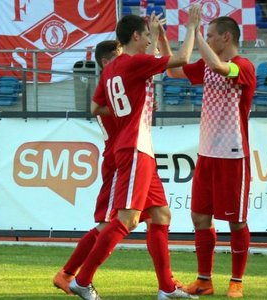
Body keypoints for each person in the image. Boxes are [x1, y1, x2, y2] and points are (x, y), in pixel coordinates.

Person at [68, 6, 202, 300]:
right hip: (135, 146)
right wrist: (192, 28)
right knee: (126, 219)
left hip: (136, 146)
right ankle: (82, 280)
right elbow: (181, 59)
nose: (146, 41)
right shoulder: (131, 63)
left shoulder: (112, 69)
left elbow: (96, 107)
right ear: (134, 36)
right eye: (144, 36)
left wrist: (155, 35)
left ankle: (166, 287)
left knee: (160, 214)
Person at [167, 16, 256, 298]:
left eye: (212, 35)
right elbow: (173, 72)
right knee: (199, 216)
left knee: (236, 221)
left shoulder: (243, 66)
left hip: (233, 154)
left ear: (226, 38)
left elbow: (219, 66)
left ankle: (236, 281)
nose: (209, 39)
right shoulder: (206, 65)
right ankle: (204, 280)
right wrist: (160, 38)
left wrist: (193, 31)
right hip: (206, 153)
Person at [52, 40, 122, 295]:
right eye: (119, 56)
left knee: (158, 218)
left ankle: (167, 283)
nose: (125, 60)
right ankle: (70, 274)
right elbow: (105, 112)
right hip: (118, 159)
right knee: (107, 225)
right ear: (106, 61)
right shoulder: (110, 84)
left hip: (123, 157)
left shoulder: (113, 84)